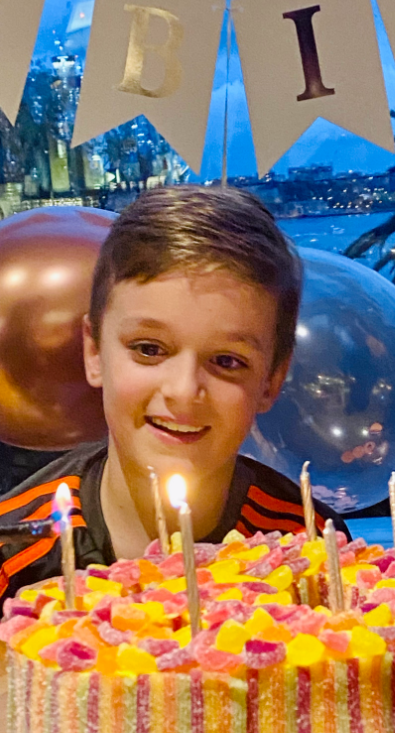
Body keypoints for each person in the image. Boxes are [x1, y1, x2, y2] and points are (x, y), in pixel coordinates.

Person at [0, 186, 347, 599]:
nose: (184, 392)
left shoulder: (309, 546)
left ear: (271, 379)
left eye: (227, 361)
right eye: (149, 349)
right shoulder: (13, 553)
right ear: (95, 352)